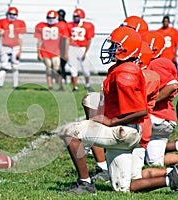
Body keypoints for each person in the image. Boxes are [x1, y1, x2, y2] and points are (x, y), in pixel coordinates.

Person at [57, 26, 148, 194]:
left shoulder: (125, 75)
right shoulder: (125, 68)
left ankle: (84, 183)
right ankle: (170, 178)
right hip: (128, 131)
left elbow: (141, 110)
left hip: (122, 131)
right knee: (123, 189)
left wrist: (111, 121)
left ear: (127, 49)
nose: (111, 49)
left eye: (116, 46)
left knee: (69, 132)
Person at [141, 30, 178, 167]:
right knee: (154, 162)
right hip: (163, 118)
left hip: (158, 116)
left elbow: (172, 86)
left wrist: (149, 103)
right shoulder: (159, 63)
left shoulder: (156, 64)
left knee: (123, 122)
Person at [34, 10, 69, 91]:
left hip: (56, 51)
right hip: (45, 51)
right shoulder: (41, 26)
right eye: (49, 18)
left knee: (57, 69)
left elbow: (66, 39)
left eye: (53, 18)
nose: (51, 19)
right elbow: (39, 41)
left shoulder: (61, 25)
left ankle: (59, 85)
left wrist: (65, 52)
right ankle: (50, 86)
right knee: (49, 70)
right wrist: (38, 52)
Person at [0, 7, 26, 89]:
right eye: (11, 14)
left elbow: (21, 37)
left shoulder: (20, 23)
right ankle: (0, 84)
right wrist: (0, 33)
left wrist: (20, 50)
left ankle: (15, 85)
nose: (12, 16)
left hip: (15, 46)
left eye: (14, 14)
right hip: (5, 45)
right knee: (3, 65)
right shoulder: (2, 21)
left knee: (15, 66)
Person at [67, 8, 95, 92]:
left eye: (77, 16)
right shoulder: (69, 25)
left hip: (82, 47)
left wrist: (86, 52)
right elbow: (67, 38)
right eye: (74, 16)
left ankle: (87, 84)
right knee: (73, 68)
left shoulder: (88, 25)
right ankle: (75, 87)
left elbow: (89, 39)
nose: (75, 18)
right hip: (72, 47)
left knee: (86, 69)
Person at [57, 9, 68, 84]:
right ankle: (59, 81)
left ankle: (63, 80)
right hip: (57, 47)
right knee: (57, 66)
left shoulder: (65, 24)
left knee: (62, 66)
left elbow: (66, 38)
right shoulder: (56, 24)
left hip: (63, 47)